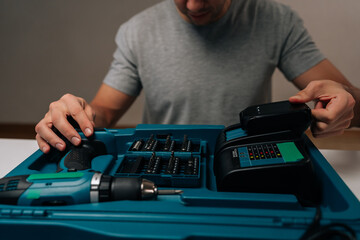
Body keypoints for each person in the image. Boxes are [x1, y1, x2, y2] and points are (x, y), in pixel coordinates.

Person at [35, 0, 359, 153]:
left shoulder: (275, 20)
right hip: (163, 162)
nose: (192, 5)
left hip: (247, 159)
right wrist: (74, 116)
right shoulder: (137, 30)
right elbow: (103, 112)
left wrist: (347, 104)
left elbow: (350, 102)